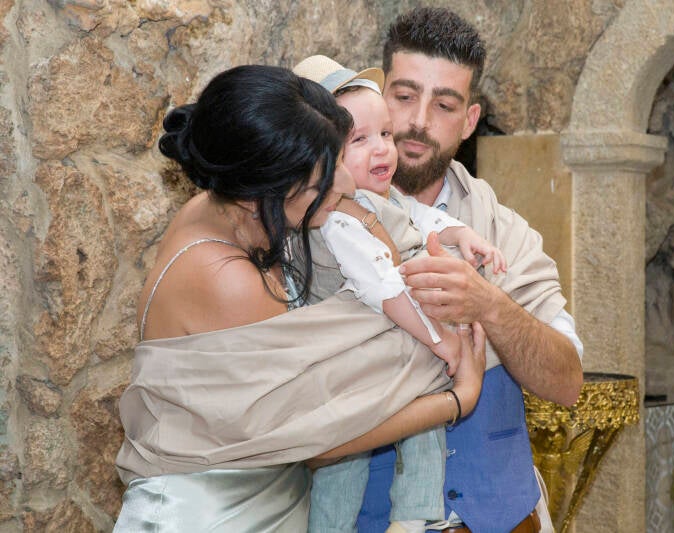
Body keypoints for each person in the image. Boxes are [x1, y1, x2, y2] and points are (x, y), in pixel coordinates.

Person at [112, 64, 487, 532]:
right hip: (216, 517)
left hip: (267, 503)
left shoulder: (225, 211)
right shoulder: (227, 279)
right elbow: (322, 439)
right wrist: (458, 399)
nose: (346, 187)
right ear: (263, 190)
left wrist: (365, 219)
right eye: (321, 181)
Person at [354, 7, 586, 533]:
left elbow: (567, 382)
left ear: (470, 120)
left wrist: (489, 304)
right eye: (404, 96)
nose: (418, 121)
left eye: (444, 105)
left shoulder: (506, 233)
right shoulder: (322, 220)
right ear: (378, 95)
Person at [291, 55, 507, 533]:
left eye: (385, 134)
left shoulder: (379, 198)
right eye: (359, 140)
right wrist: (442, 343)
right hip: (356, 357)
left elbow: (418, 219)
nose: (382, 149)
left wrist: (460, 233)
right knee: (344, 459)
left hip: (390, 342)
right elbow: (382, 286)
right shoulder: (339, 218)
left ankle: (412, 515)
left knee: (418, 425)